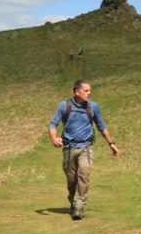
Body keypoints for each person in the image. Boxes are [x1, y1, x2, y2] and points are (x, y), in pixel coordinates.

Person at [48, 79, 120, 220]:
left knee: (84, 175)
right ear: (77, 92)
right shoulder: (65, 106)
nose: (89, 93)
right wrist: (54, 138)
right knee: (71, 179)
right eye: (86, 90)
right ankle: (73, 202)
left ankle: (79, 206)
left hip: (86, 146)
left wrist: (111, 143)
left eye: (89, 90)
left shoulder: (93, 107)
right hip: (68, 148)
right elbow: (53, 124)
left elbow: (102, 126)